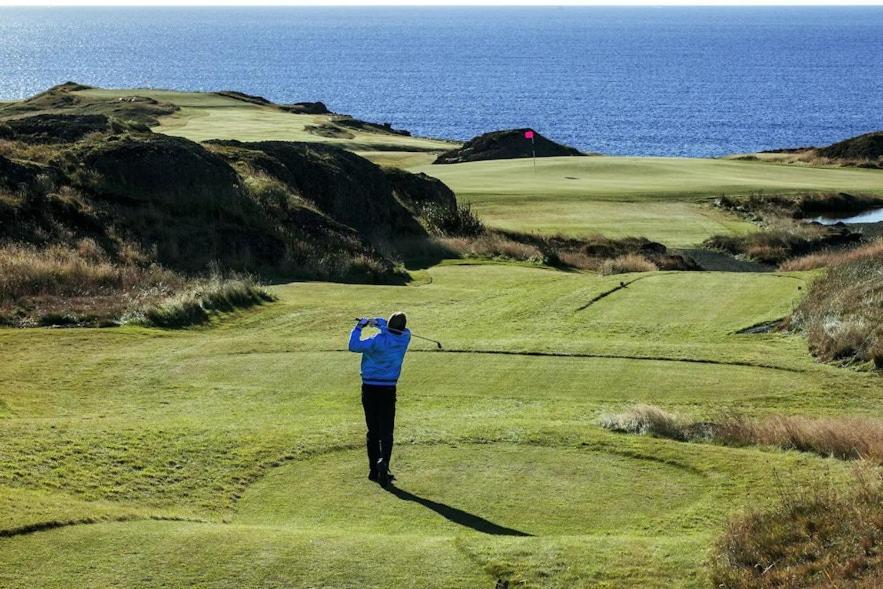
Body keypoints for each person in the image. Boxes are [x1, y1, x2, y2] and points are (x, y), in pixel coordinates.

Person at [349, 312, 411, 487]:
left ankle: (373, 470)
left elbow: (353, 345)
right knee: (387, 431)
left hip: (369, 388)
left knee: (373, 430)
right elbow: (390, 326)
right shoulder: (405, 337)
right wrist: (376, 322)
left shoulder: (376, 341)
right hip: (388, 388)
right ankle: (384, 464)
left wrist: (360, 326)